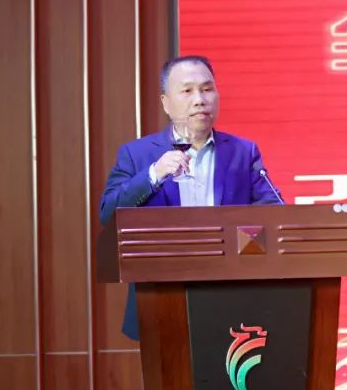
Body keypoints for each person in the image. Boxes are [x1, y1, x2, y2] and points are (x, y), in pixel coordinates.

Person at [99, 55, 285, 340]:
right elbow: (108, 213)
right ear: (165, 103)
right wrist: (153, 174)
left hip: (229, 298)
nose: (200, 100)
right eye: (187, 91)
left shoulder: (242, 152)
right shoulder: (137, 154)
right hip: (161, 298)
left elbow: (273, 211)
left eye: (207, 89)